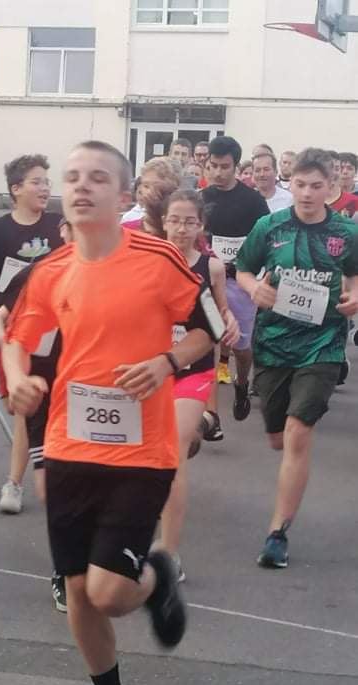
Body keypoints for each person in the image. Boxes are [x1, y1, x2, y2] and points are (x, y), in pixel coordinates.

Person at [3, 140, 219, 685]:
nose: (80, 186)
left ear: (123, 196)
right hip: (70, 445)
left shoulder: (159, 258)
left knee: (110, 594)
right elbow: (19, 336)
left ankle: (153, 578)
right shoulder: (51, 270)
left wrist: (166, 361)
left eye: (97, 177)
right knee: (77, 589)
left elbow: (208, 329)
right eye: (72, 176)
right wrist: (17, 378)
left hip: (141, 451)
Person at [236, 148, 358, 568]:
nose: (307, 193)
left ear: (330, 187)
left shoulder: (346, 231)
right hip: (274, 343)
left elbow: (355, 272)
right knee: (277, 437)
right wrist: (254, 288)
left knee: (298, 432)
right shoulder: (270, 227)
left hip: (322, 343)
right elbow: (243, 268)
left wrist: (355, 295)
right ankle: (285, 445)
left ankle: (277, 533)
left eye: (316, 186)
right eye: (300, 185)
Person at [0, 154, 63, 515]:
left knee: (30, 406)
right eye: (37, 182)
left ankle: (15, 482)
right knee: (17, 405)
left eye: (47, 182)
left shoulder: (59, 225)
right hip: (11, 330)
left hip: (56, 330)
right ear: (15, 189)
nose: (45, 188)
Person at [155, 190, 239, 582]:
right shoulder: (149, 261)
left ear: (201, 225)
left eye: (190, 221)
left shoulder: (212, 267)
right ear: (163, 222)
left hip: (194, 368)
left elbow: (220, 314)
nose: (182, 228)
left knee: (173, 451)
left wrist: (229, 325)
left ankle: (168, 552)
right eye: (175, 220)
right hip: (152, 368)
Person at [0, 218, 72, 613]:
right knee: (50, 486)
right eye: (73, 228)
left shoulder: (122, 272)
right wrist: (16, 374)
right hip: (44, 390)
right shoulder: (40, 272)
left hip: (96, 393)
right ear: (64, 231)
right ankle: (64, 569)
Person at [202, 136, 269, 436]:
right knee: (210, 341)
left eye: (224, 166)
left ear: (236, 166)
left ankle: (242, 383)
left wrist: (257, 275)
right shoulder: (202, 198)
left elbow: (267, 240)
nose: (218, 172)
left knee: (241, 346)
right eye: (213, 166)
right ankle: (210, 413)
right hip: (208, 280)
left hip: (240, 281)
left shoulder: (253, 201)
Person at [121, 157, 180, 232]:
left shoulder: (182, 232)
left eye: (157, 187)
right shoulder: (127, 229)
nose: (149, 192)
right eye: (146, 186)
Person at [326, 150, 358, 219]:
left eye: (349, 168)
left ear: (356, 172)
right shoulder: (324, 195)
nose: (345, 172)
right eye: (341, 168)